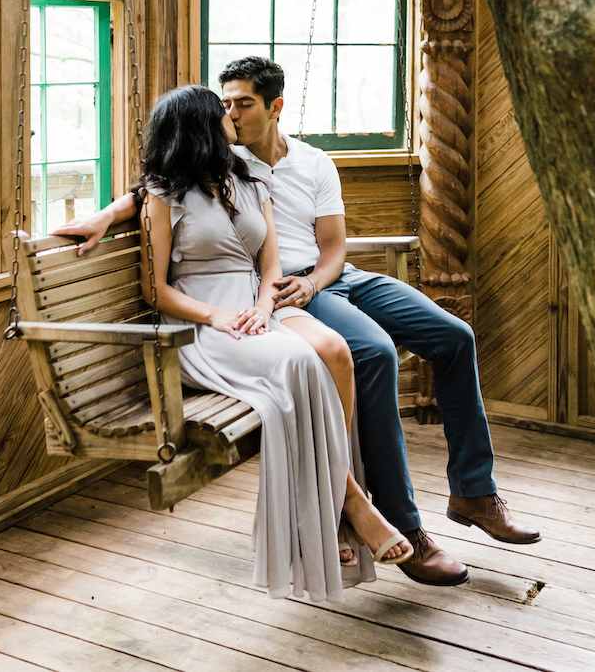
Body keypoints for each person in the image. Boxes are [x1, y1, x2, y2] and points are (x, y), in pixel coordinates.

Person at [56, 57, 541, 589]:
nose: (232, 113)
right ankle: (401, 524)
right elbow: (159, 185)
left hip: (326, 278)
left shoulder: (311, 162)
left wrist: (315, 282)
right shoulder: (221, 155)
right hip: (277, 290)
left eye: (243, 103)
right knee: (374, 353)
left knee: (454, 336)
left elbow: (334, 248)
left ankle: (473, 488)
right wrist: (105, 214)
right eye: (226, 104)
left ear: (275, 107)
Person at [134, 84, 412, 602]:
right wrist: (219, 316)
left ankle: (333, 500)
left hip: (257, 308)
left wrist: (265, 307)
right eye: (221, 110)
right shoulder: (164, 196)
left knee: (335, 351)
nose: (231, 115)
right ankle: (349, 502)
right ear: (199, 123)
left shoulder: (246, 176)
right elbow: (156, 290)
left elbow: (271, 265)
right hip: (206, 324)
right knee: (301, 364)